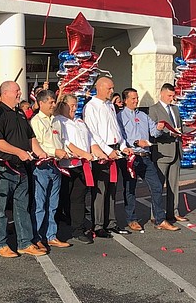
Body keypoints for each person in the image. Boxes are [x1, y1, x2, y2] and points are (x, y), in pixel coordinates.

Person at [0, 80, 48, 258]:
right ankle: (1, 243)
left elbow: (31, 138)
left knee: (22, 206)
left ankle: (24, 242)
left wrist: (41, 153)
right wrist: (19, 152)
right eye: (16, 91)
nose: (19, 93)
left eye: (19, 90)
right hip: (4, 169)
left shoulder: (20, 113)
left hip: (22, 167)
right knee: (0, 210)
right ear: (5, 93)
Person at [117, 88, 179, 232]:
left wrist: (159, 128)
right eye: (132, 98)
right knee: (130, 189)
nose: (136, 101)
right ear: (125, 100)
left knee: (157, 186)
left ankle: (159, 219)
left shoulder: (143, 115)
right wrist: (136, 142)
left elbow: (154, 132)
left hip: (145, 157)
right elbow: (120, 137)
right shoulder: (120, 117)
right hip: (130, 158)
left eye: (137, 98)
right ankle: (131, 219)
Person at [83, 77, 132, 238]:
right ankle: (98, 225)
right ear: (100, 87)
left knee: (112, 189)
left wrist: (123, 146)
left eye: (112, 88)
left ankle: (111, 222)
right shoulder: (91, 106)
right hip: (102, 154)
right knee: (100, 190)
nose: (112, 91)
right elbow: (92, 132)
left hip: (115, 150)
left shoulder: (110, 105)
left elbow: (116, 129)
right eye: (109, 88)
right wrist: (105, 150)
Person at [53, 94, 99, 244]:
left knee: (78, 198)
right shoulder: (60, 121)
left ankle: (77, 229)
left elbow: (91, 141)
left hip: (81, 166)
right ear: (63, 105)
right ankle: (57, 227)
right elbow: (66, 142)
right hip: (66, 166)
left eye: (75, 105)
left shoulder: (80, 122)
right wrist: (83, 153)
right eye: (71, 105)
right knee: (62, 197)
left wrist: (100, 153)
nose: (74, 108)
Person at [29, 89, 71, 248]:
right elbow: (37, 144)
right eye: (50, 102)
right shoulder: (36, 121)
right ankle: (37, 236)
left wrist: (65, 152)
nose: (54, 104)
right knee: (40, 204)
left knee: (53, 203)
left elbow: (61, 141)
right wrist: (54, 151)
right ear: (40, 103)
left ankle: (51, 235)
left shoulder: (57, 121)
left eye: (54, 101)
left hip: (56, 166)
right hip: (42, 166)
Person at [149, 83, 190, 225]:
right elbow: (152, 132)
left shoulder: (175, 109)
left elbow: (181, 126)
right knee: (158, 186)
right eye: (169, 96)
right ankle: (156, 214)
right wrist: (169, 133)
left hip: (176, 151)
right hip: (162, 152)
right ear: (162, 94)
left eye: (173, 96)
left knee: (174, 185)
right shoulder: (153, 109)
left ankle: (173, 212)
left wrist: (190, 129)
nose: (171, 99)